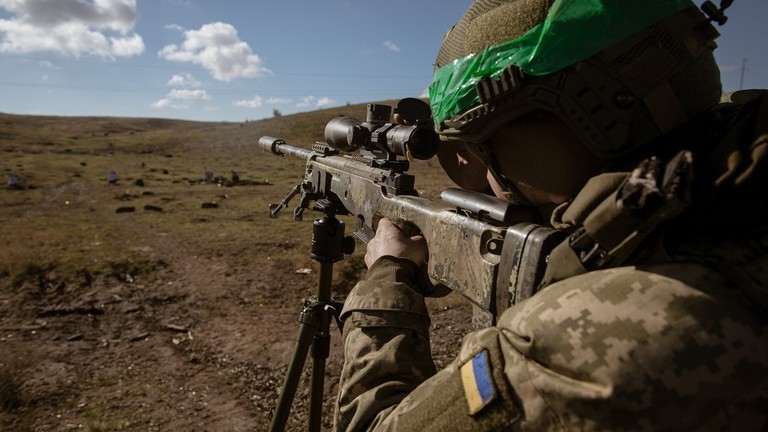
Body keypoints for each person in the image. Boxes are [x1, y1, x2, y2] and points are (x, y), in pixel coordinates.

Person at [334, 0, 768, 430]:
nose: (478, 164)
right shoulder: (731, 192)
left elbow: (372, 425)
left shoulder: (577, 340)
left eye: (483, 143)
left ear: (590, 112)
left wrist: (387, 276)